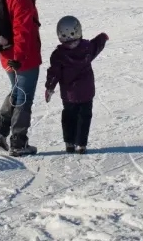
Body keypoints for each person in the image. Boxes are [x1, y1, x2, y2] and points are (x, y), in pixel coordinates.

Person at [0, 0, 42, 157]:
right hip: (23, 58)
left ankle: (0, 131)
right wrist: (19, 58)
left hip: (8, 56)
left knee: (16, 92)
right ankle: (18, 142)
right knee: (23, 97)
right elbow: (22, 30)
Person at [44, 16, 108, 154]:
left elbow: (54, 73)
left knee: (69, 117)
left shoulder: (58, 55)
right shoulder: (87, 48)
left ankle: (69, 142)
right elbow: (97, 45)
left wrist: (50, 87)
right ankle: (81, 144)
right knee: (84, 118)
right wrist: (103, 37)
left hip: (69, 95)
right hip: (86, 93)